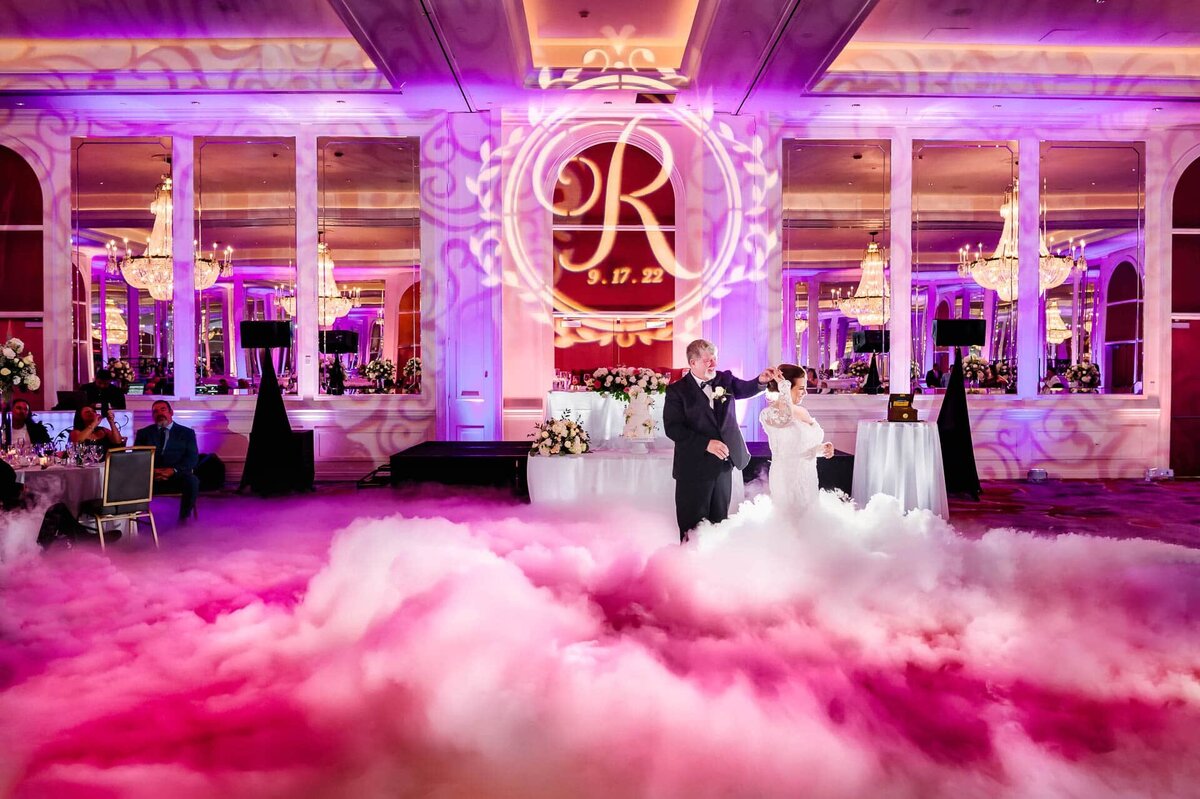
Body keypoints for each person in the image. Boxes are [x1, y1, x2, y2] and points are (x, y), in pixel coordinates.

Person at [663, 338, 780, 542]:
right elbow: (673, 429)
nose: (713, 364)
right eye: (708, 360)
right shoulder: (677, 391)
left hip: (723, 466)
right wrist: (705, 444)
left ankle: (714, 567)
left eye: (715, 359)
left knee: (719, 522)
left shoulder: (724, 380)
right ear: (693, 363)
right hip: (693, 469)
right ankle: (688, 567)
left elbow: (745, 388)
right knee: (693, 526)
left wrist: (761, 380)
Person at [760, 364, 835, 516]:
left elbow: (804, 446)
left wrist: (822, 449)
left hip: (808, 475)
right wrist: (784, 387)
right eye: (801, 388)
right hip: (786, 477)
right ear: (785, 387)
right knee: (790, 521)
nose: (805, 393)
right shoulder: (768, 414)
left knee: (809, 519)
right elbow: (786, 418)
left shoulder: (802, 411)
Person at [133, 399, 199, 521]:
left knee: (192, 481)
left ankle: (184, 520)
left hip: (176, 476)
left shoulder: (187, 433)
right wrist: (152, 471)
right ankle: (132, 522)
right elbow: (137, 457)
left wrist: (173, 470)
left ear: (171, 412)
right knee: (129, 481)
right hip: (150, 477)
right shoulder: (144, 433)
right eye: (155, 412)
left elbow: (192, 458)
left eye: (163, 410)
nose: (159, 413)